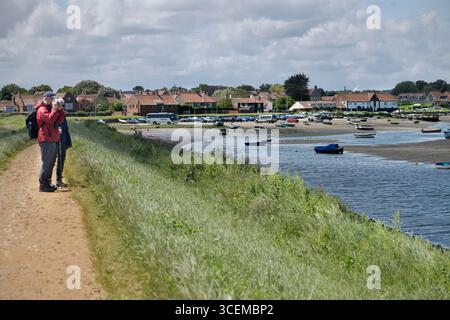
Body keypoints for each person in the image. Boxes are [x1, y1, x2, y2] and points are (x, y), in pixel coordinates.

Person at [35, 92, 65, 192]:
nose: (53, 101)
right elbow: (50, 119)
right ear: (46, 98)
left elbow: (60, 120)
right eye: (52, 99)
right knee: (47, 163)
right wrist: (55, 108)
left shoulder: (50, 108)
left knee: (51, 163)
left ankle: (47, 183)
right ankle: (43, 185)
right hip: (46, 139)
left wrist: (60, 109)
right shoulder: (41, 109)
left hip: (53, 139)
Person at [55, 105, 72, 188]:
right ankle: (49, 181)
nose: (62, 107)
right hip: (56, 141)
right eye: (60, 105)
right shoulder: (54, 114)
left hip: (63, 140)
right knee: (53, 161)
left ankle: (59, 179)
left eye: (62, 105)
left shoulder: (63, 116)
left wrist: (68, 141)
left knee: (61, 160)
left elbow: (66, 130)